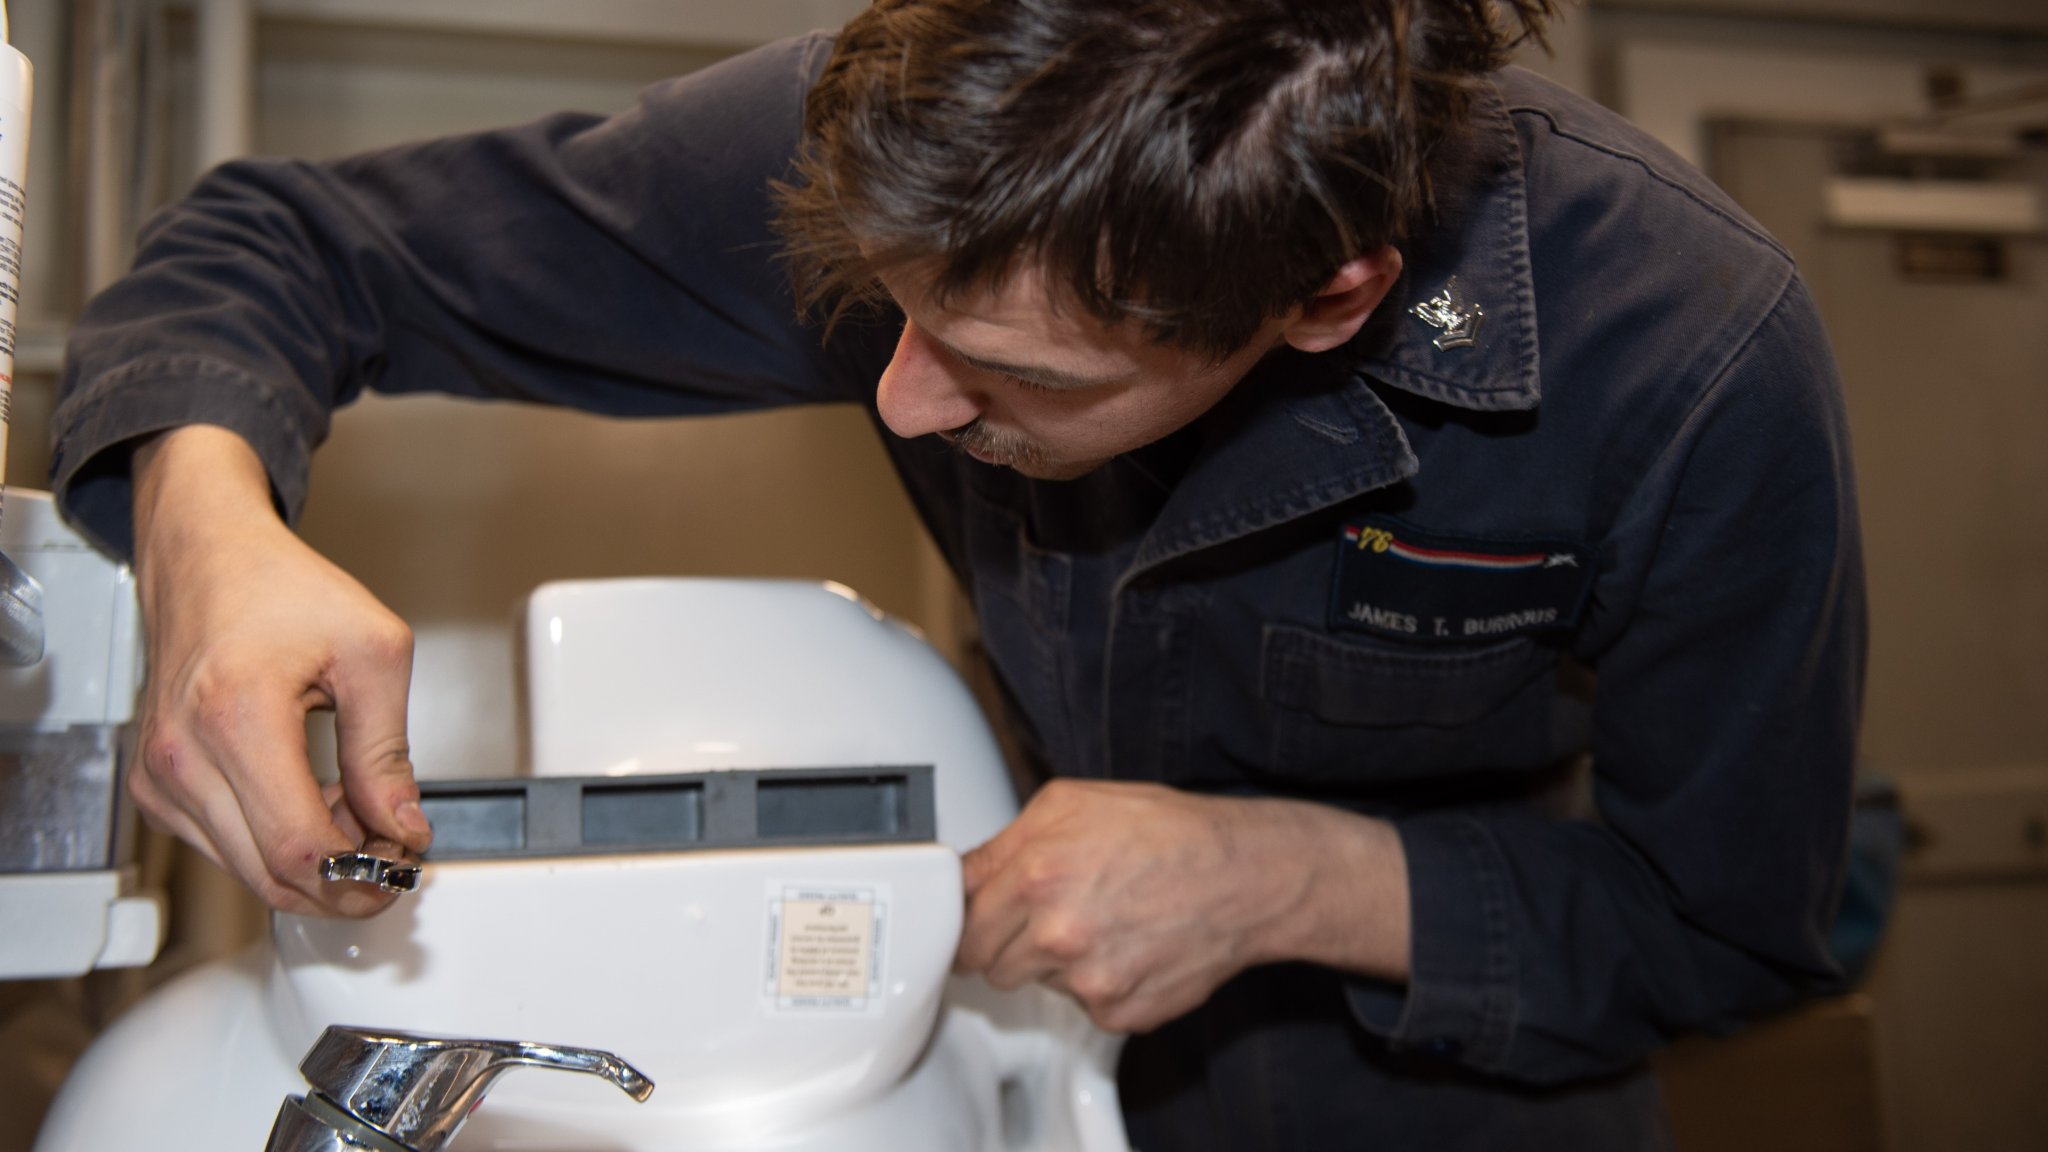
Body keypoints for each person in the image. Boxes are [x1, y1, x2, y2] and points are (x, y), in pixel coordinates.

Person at [48, 0, 1865, 1146]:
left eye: (1019, 379)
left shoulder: (1684, 361)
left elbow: (1731, 926)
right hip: (1002, 1009)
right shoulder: (939, 129)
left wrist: (1295, 877)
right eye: (886, 313)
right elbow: (281, 242)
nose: (906, 403)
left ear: (1327, 297)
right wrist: (211, 538)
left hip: (1446, 1083)